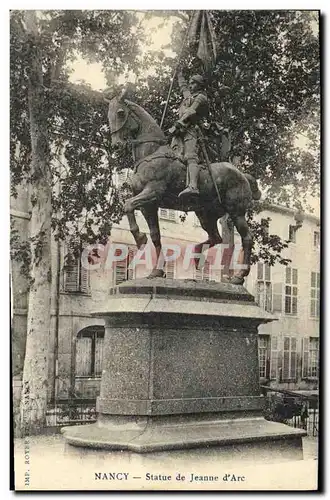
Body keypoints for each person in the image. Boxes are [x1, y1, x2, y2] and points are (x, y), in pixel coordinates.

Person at [170, 69, 209, 198]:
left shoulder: (201, 97)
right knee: (172, 155)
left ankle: (193, 186)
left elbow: (191, 111)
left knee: (190, 156)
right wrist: (178, 72)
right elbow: (183, 87)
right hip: (180, 131)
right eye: (190, 83)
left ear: (199, 85)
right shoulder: (188, 96)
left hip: (192, 130)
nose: (191, 85)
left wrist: (179, 123)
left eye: (194, 83)